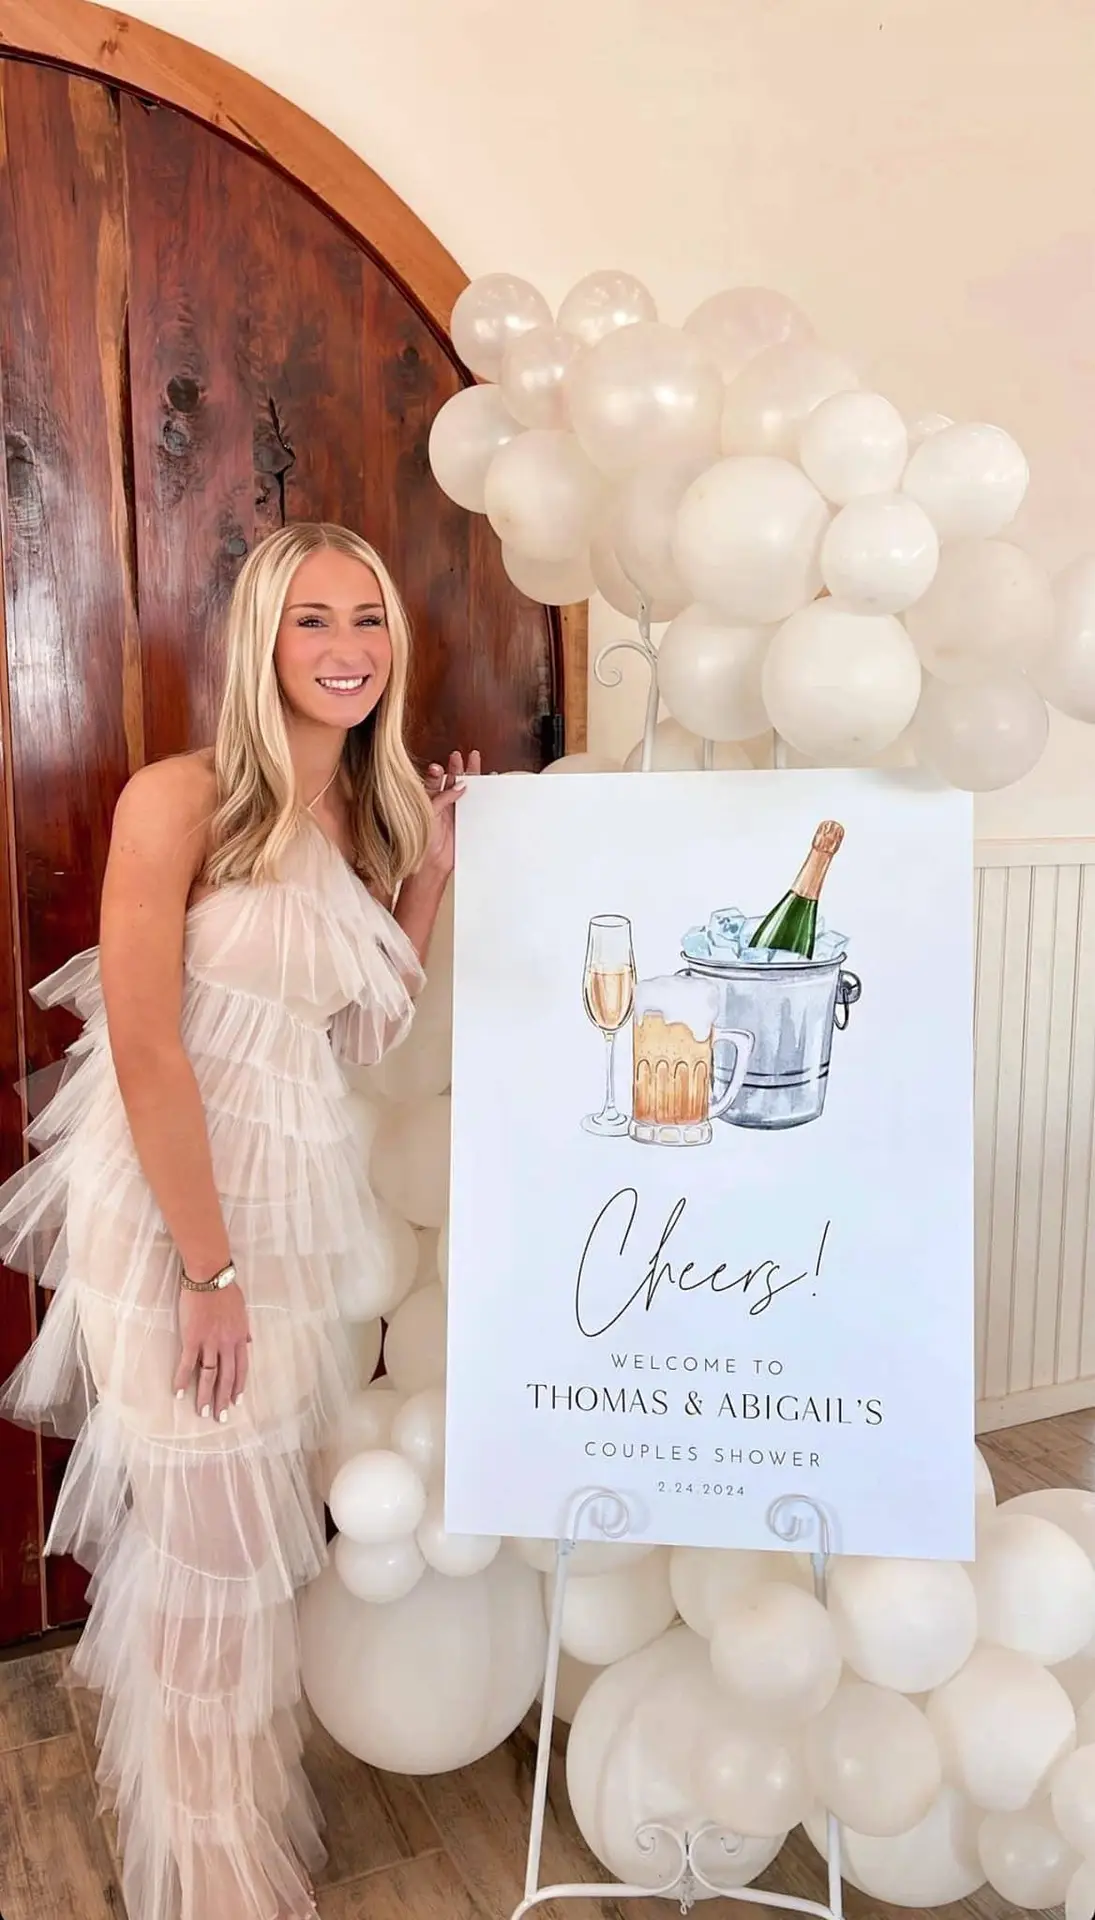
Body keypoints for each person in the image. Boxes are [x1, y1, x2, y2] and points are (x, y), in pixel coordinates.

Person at [0, 522, 477, 1920]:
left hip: (283, 1215)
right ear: (262, 642)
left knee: (251, 1562)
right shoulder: (181, 797)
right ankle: (210, 1882)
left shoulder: (359, 819)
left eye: (367, 620)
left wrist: (428, 876)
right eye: (312, 620)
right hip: (171, 1221)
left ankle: (229, 1831)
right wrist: (207, 1272)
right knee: (209, 1557)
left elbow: (364, 1035)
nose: (346, 649)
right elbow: (147, 1048)